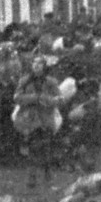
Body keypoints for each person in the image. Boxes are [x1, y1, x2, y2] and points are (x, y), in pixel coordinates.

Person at [13, 57, 62, 189]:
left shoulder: (51, 82)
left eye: (39, 64)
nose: (36, 66)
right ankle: (32, 177)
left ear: (44, 66)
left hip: (46, 117)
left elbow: (59, 98)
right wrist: (33, 98)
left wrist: (47, 99)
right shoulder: (25, 81)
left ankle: (47, 174)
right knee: (33, 147)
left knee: (46, 147)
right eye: (34, 63)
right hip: (31, 118)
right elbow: (17, 97)